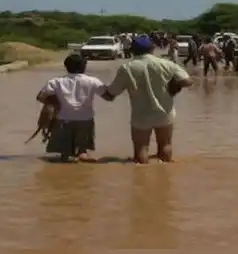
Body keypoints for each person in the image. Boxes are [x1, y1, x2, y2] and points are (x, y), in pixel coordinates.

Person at [104, 35, 194, 164]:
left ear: (132, 50)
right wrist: (173, 88)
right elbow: (187, 81)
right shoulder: (167, 64)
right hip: (165, 112)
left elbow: (111, 93)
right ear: (152, 49)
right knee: (165, 145)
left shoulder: (127, 68)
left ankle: (142, 178)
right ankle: (165, 175)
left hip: (141, 114)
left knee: (142, 148)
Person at [37, 53, 107, 163]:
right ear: (84, 67)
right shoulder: (93, 81)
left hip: (63, 120)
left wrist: (55, 103)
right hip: (85, 120)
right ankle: (82, 159)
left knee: (65, 155)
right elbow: (107, 96)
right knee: (82, 152)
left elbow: (40, 97)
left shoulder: (55, 82)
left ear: (66, 67)